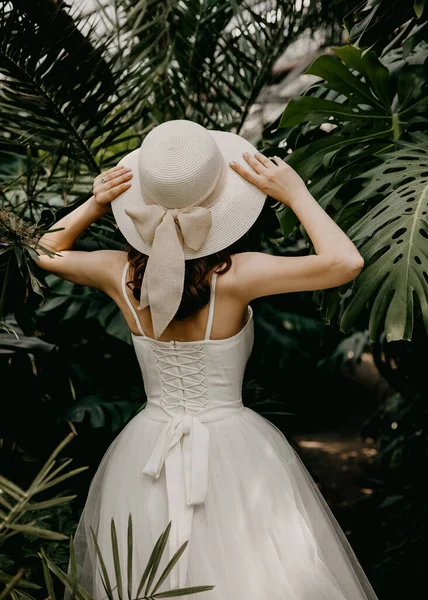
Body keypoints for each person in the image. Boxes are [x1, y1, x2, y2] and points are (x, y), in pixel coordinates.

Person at [35, 119, 376, 600]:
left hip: (147, 452)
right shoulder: (236, 276)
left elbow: (44, 250)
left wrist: (94, 202)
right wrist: (296, 193)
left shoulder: (117, 273)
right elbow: (346, 262)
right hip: (235, 449)